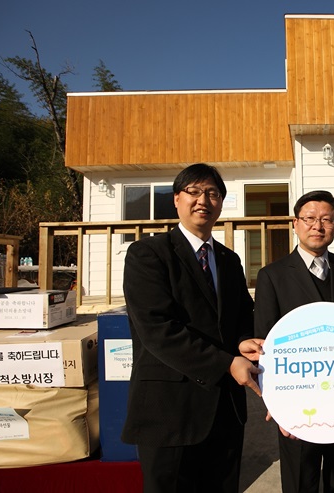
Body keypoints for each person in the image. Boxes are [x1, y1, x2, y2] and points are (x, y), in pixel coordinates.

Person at [121, 163, 263, 493]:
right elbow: (157, 329)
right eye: (194, 192)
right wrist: (226, 362)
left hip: (225, 410)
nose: (203, 200)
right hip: (170, 412)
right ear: (176, 199)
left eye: (212, 193)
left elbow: (243, 316)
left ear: (221, 202)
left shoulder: (229, 260)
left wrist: (243, 341)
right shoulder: (148, 254)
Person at [251, 190, 334, 493]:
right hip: (298, 401)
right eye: (309, 218)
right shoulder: (272, 276)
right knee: (300, 478)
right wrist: (277, 405)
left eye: (326, 220)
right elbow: (265, 346)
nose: (317, 226)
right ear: (295, 223)